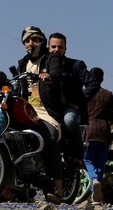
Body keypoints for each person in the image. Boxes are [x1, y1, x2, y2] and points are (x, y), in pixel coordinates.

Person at [15, 25, 66, 202]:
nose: (31, 43)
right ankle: (11, 187)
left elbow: (56, 74)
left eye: (34, 39)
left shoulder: (51, 58)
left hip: (46, 113)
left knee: (48, 140)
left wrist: (48, 77)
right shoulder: (22, 63)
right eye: (27, 40)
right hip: (26, 111)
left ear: (42, 40)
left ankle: (58, 190)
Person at [40, 33, 97, 168]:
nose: (56, 50)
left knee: (69, 120)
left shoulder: (76, 65)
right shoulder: (42, 65)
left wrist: (78, 102)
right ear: (48, 47)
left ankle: (77, 156)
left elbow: (93, 84)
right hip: (49, 109)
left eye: (60, 47)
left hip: (69, 109)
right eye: (53, 46)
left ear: (65, 49)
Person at [81, 67, 113, 204]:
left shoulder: (85, 94)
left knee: (88, 160)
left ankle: (93, 180)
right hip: (104, 133)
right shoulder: (108, 94)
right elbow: (111, 116)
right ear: (102, 79)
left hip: (89, 131)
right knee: (100, 164)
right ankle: (95, 196)